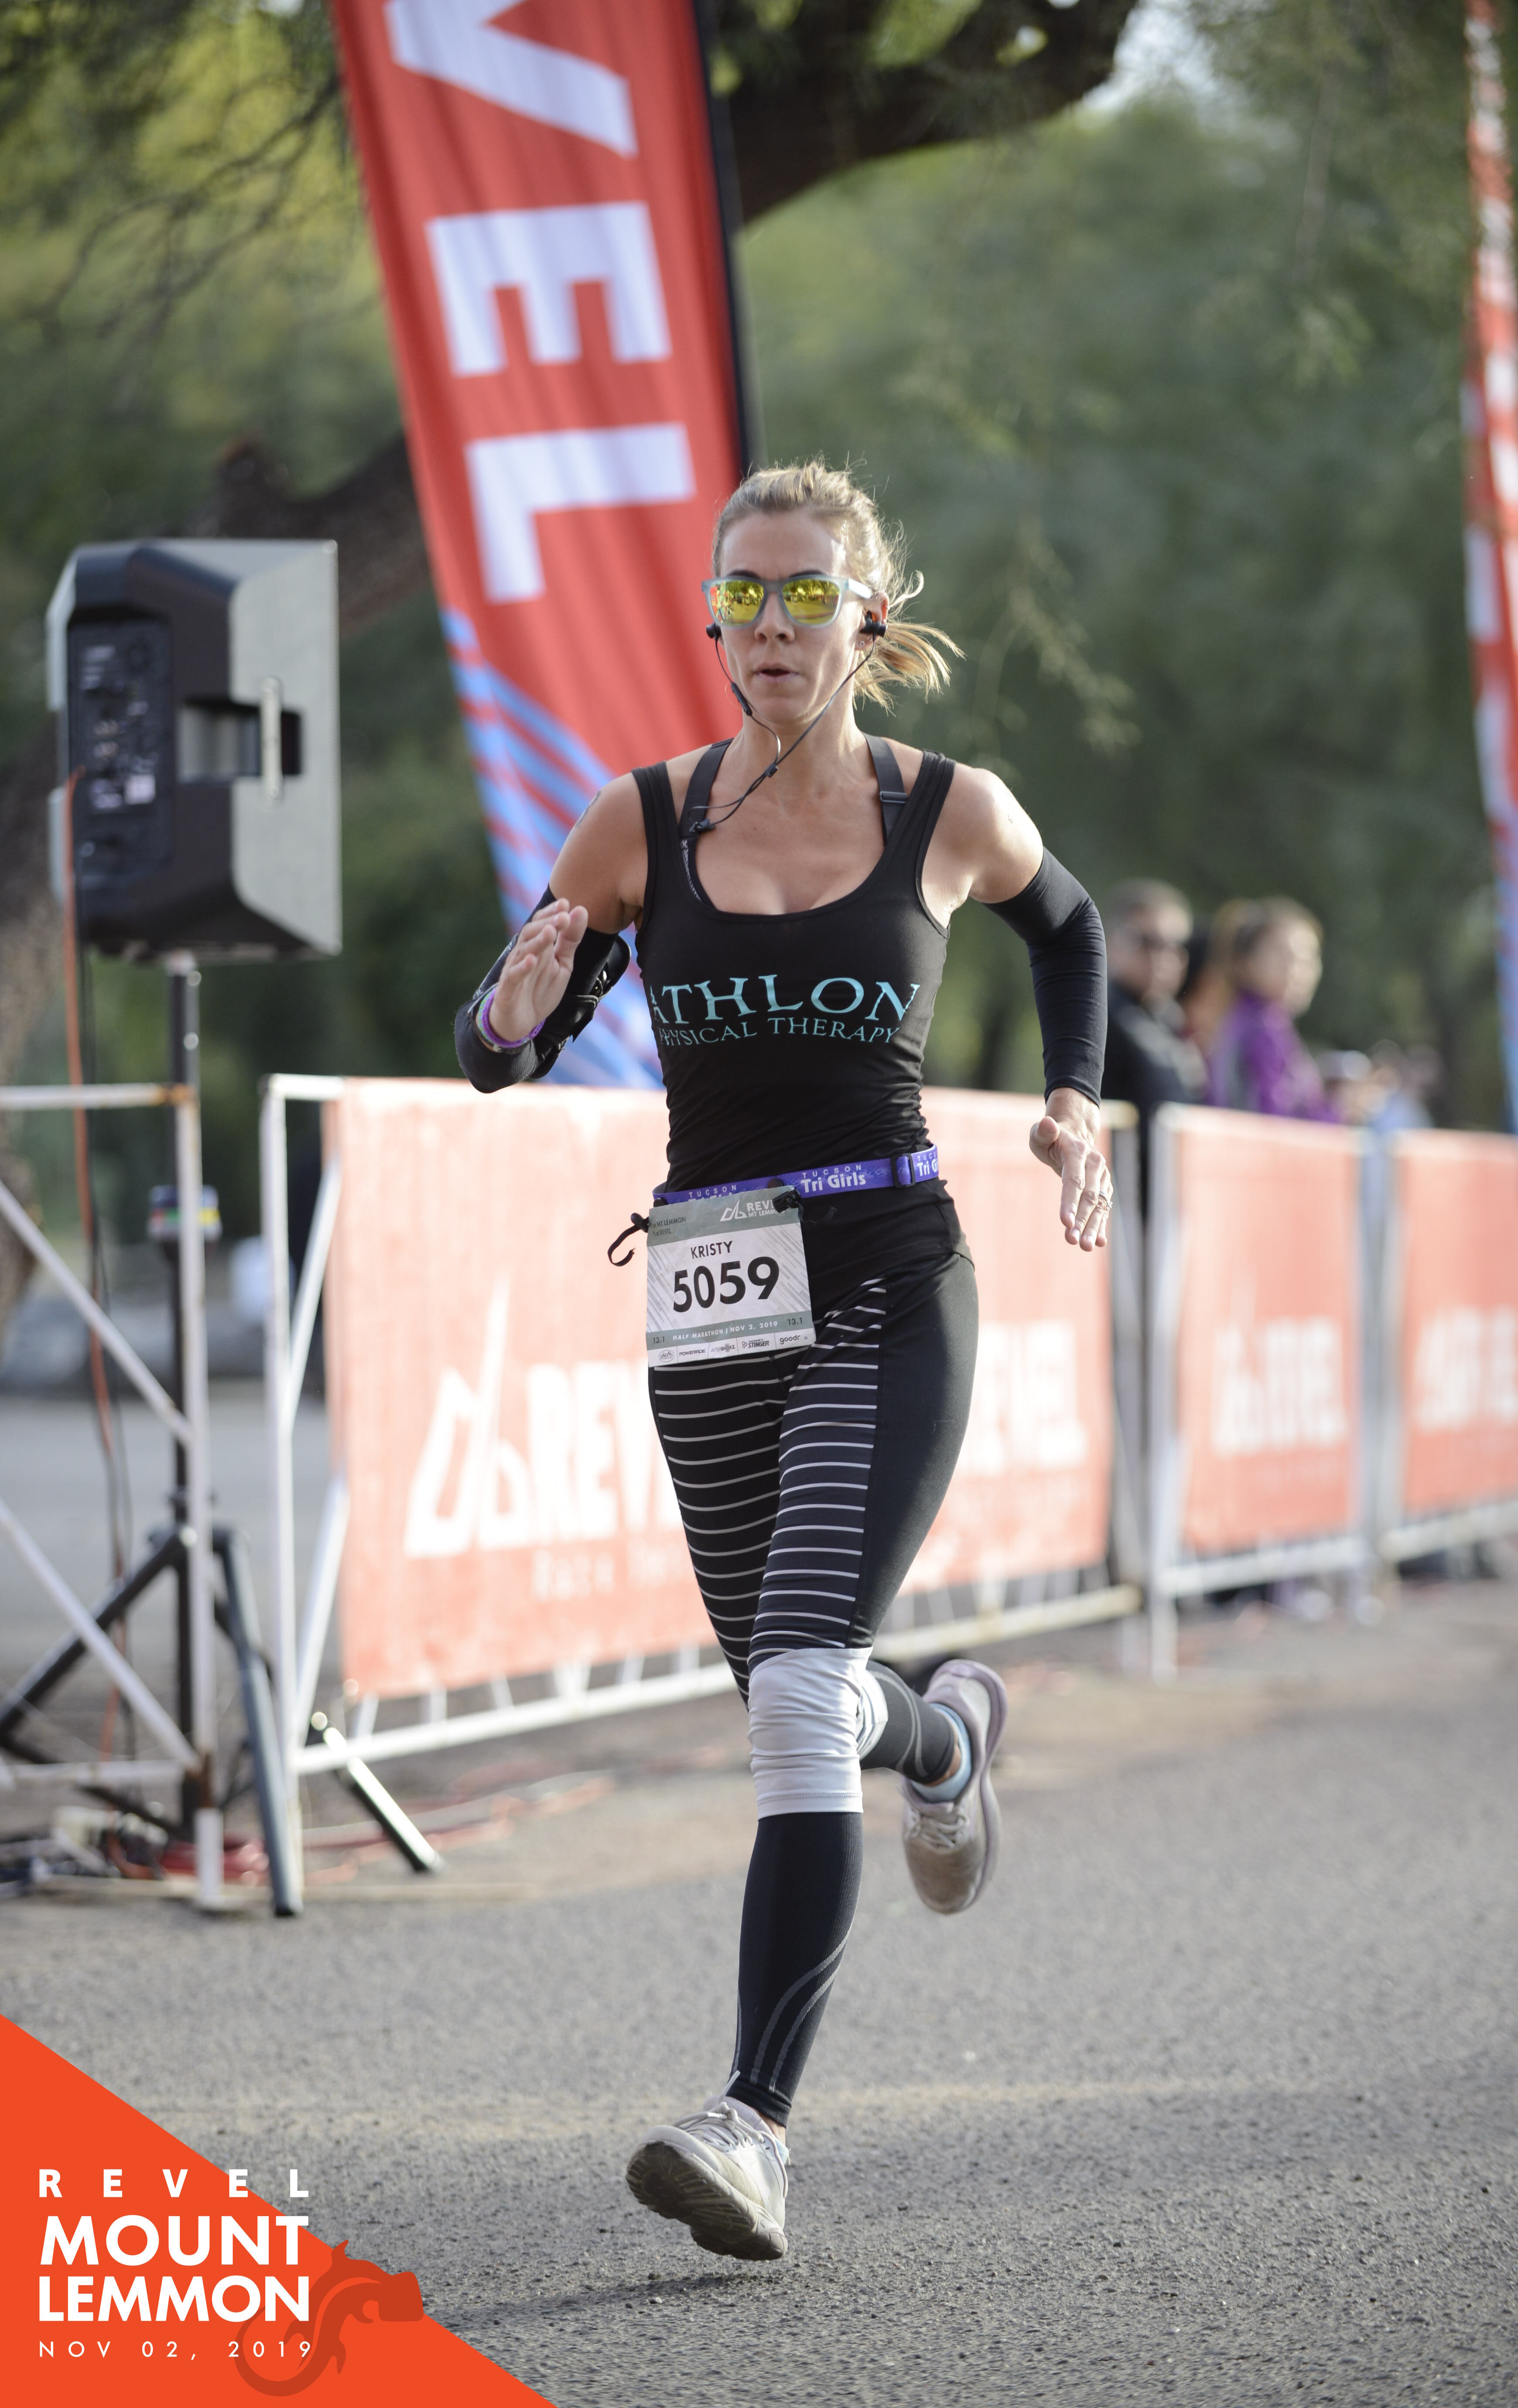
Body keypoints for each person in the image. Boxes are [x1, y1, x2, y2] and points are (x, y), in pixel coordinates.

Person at [454, 460, 1111, 2263]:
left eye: (806, 594)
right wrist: (512, 1012)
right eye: (741, 595)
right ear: (713, 618)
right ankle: (945, 1733)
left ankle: (750, 2126)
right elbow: (503, 1044)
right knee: (792, 1692)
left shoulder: (947, 809)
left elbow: (1070, 928)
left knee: (799, 1689)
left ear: (865, 617)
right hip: (712, 1300)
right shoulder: (641, 821)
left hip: (891, 1270)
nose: (769, 625)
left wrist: (1072, 1100)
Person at [1100, 878, 1207, 1209]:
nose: (1163, 957)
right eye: (1147, 942)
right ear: (1113, 942)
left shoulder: (1172, 1022)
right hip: (1117, 1205)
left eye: (1176, 946)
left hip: (1170, 1201)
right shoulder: (1096, 1012)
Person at [1207, 898, 1335, 1122]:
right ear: (1246, 963)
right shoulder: (1263, 1029)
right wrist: (1340, 1108)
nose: (1299, 970)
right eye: (1283, 955)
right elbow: (1278, 1125)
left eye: (1310, 957)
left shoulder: (1259, 1023)